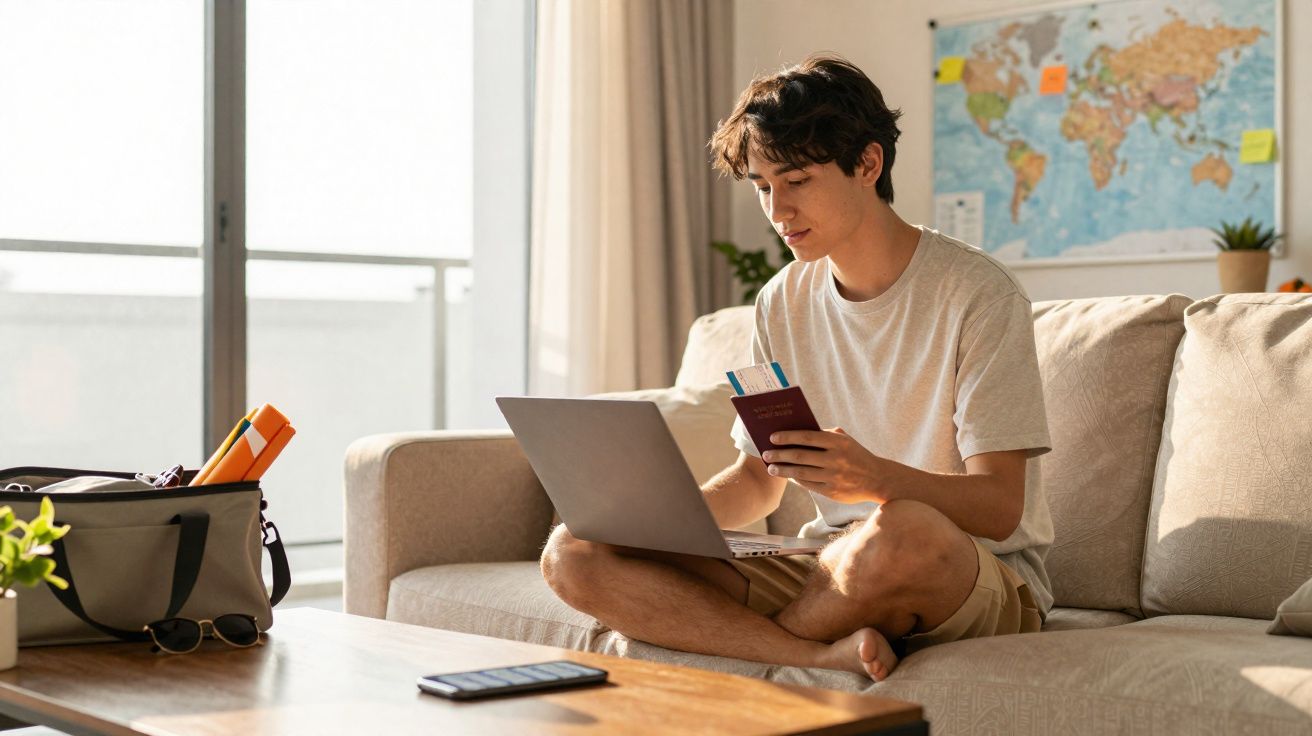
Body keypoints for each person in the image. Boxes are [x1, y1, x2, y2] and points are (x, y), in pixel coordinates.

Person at [540, 54, 1052, 681]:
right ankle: (810, 654)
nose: (778, 210)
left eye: (797, 180)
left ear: (867, 164)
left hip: (963, 567)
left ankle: (746, 651)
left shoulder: (978, 293)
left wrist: (873, 476)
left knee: (905, 528)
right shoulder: (780, 301)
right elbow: (759, 479)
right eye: (762, 187)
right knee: (575, 549)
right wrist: (664, 523)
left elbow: (1000, 507)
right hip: (828, 563)